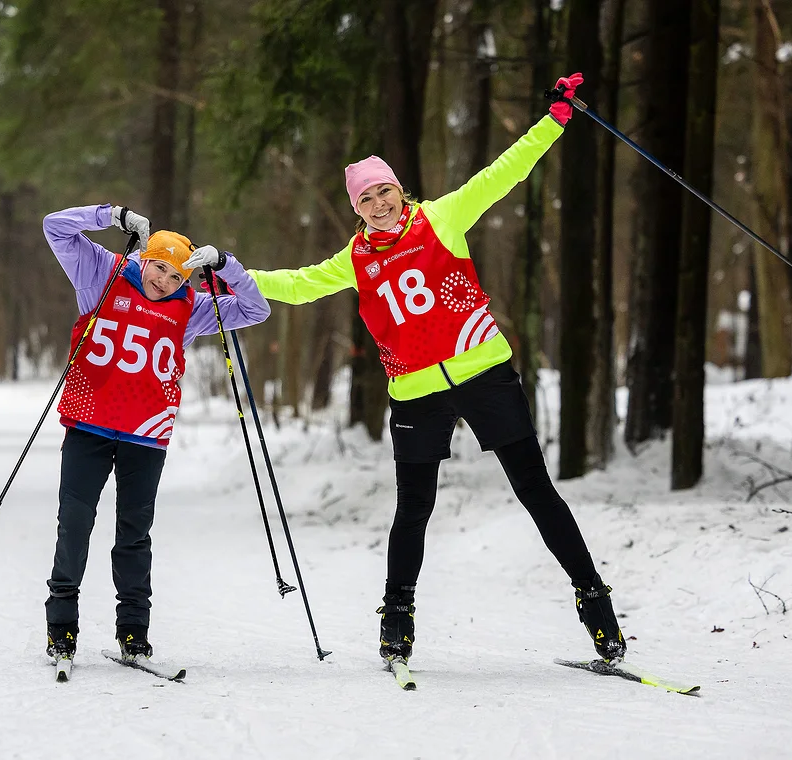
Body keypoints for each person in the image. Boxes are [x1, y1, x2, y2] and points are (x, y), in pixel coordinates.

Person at [248, 73, 627, 666]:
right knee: (412, 511)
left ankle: (595, 603)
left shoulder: (442, 218)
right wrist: (233, 276)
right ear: (357, 208)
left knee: (535, 490)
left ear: (401, 190)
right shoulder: (354, 258)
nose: (379, 204)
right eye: (366, 199)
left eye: (385, 191)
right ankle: (396, 619)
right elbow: (297, 286)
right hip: (416, 394)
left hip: (484, 375)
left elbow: (503, 173)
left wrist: (554, 119)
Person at [42, 203, 270, 667]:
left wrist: (226, 265)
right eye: (159, 268)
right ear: (144, 258)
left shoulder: (193, 308)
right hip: (88, 425)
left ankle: (133, 634)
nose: (164, 282)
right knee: (75, 526)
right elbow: (55, 228)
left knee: (134, 534)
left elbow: (255, 308)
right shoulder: (101, 274)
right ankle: (61, 628)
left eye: (175, 277)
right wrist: (111, 216)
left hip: (146, 436)